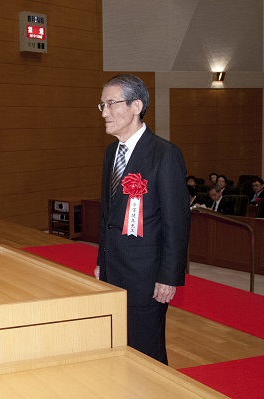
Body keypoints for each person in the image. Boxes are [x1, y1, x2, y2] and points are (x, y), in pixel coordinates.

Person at [95, 74, 190, 364]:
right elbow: (107, 214)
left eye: (111, 103)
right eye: (101, 105)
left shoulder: (165, 154)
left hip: (147, 275)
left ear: (136, 106)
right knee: (119, 346)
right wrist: (102, 259)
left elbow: (177, 222)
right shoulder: (112, 152)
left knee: (146, 350)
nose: (104, 112)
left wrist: (168, 276)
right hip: (114, 268)